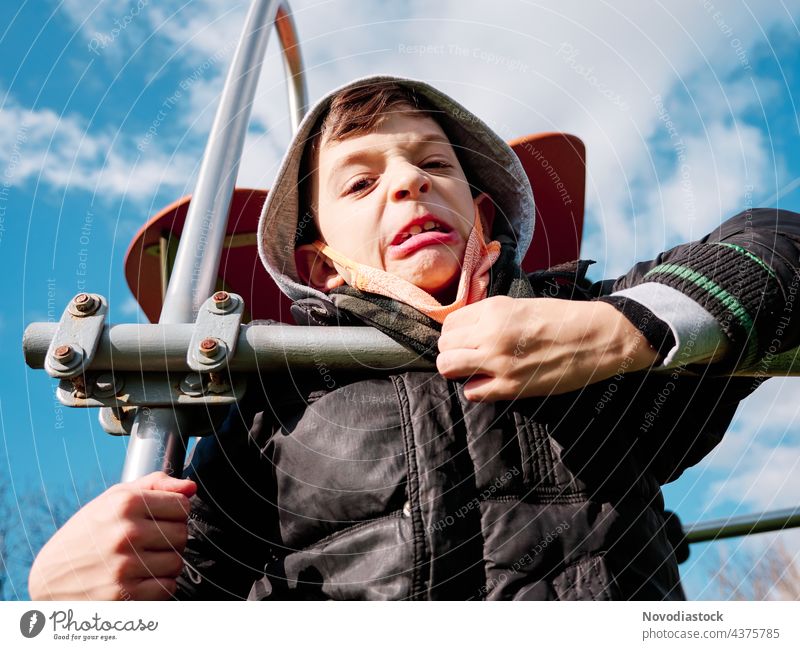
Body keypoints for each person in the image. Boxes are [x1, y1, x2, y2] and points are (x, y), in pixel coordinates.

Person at [29, 75, 800, 601]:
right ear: (318, 264)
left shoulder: (583, 329)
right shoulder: (273, 410)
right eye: (361, 182)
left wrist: (621, 329)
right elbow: (206, 596)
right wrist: (73, 605)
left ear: (483, 215)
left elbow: (780, 247)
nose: (408, 180)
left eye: (433, 162)